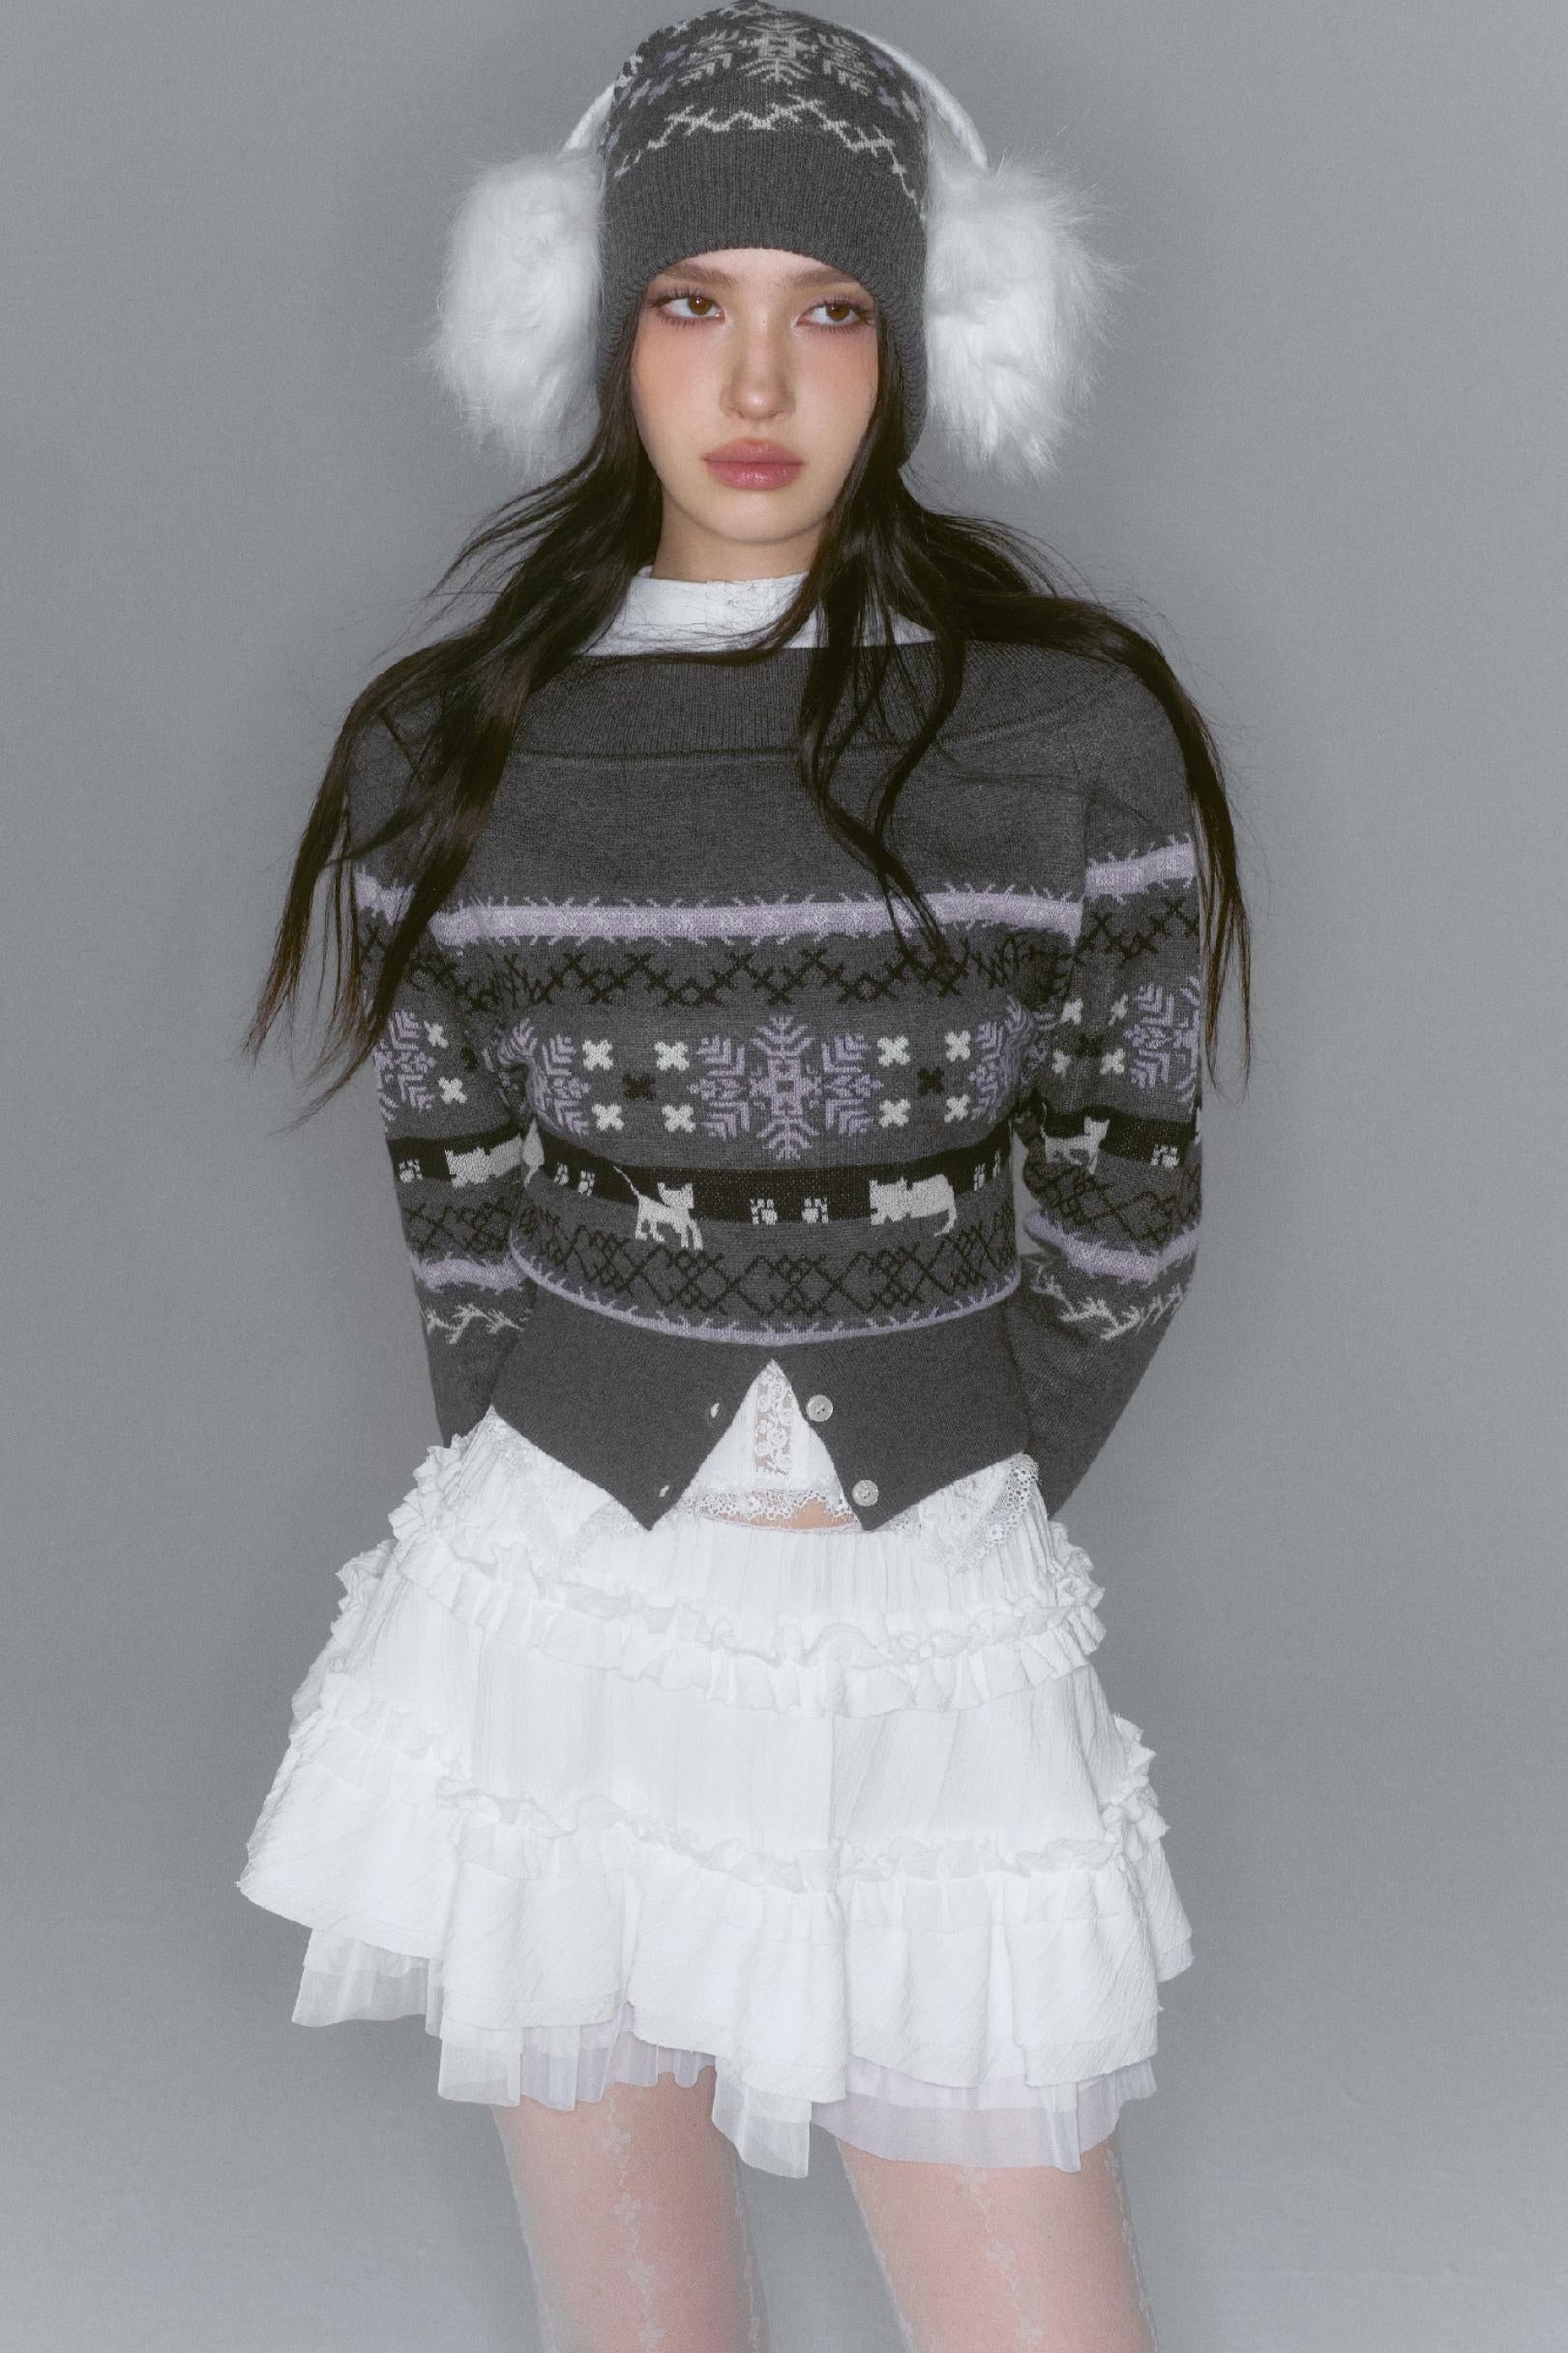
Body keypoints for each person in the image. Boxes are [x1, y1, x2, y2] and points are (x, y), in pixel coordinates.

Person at [236, 7, 1252, 2347]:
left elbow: (1127, 1196)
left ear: (923, 339)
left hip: (926, 1620)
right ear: (598, 325)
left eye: (833, 306)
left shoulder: (1066, 735)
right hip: (558, 1616)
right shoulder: (449, 753)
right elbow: (459, 1203)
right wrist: (586, 1485)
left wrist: (955, 1480)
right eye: (692, 300)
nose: (761, 379)